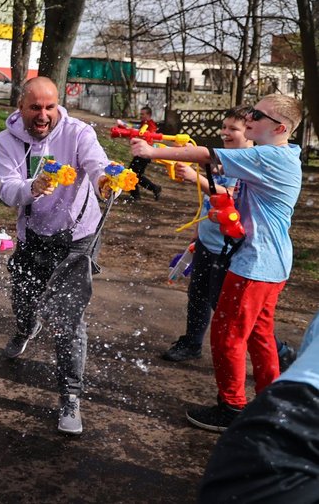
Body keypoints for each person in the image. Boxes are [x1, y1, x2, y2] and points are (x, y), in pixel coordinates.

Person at [130, 93, 303, 432]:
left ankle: (232, 408)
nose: (249, 117)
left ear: (280, 127)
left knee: (227, 336)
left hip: (255, 264)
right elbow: (228, 192)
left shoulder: (269, 156)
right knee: (259, 336)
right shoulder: (282, 155)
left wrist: (152, 152)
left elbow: (206, 154)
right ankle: (270, 405)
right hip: (272, 263)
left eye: (257, 114)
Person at [0, 76, 112, 435]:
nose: (44, 115)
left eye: (50, 107)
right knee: (24, 297)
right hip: (34, 235)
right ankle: (27, 326)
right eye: (35, 108)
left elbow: (97, 165)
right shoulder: (7, 140)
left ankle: (70, 396)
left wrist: (106, 181)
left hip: (78, 237)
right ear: (21, 108)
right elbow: (7, 189)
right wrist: (33, 187)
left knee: (68, 318)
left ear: (58, 104)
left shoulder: (78, 133)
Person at [161, 106, 296, 371]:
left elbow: (228, 195)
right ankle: (191, 342)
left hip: (229, 250)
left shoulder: (247, 162)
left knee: (224, 307)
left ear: (249, 133)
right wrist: (196, 235)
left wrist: (194, 177)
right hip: (207, 241)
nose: (225, 133)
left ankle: (278, 352)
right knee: (197, 294)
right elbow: (208, 205)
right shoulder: (223, 159)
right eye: (224, 127)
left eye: (233, 129)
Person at [199, 309, 319, 501]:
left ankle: (232, 404)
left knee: (233, 328)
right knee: (255, 326)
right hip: (293, 412)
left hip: (297, 413)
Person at [127, 106, 162, 201]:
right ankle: (153, 188)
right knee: (136, 175)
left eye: (143, 114)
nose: (141, 116)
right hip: (141, 152)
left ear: (149, 115)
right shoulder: (144, 123)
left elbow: (149, 138)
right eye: (141, 114)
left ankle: (137, 196)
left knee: (132, 173)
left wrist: (139, 138)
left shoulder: (151, 125)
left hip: (145, 153)